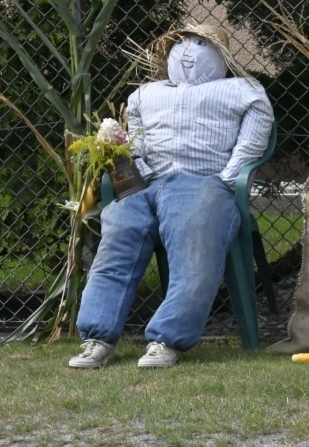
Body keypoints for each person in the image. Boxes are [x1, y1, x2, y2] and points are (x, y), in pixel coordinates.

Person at [69, 22, 274, 368]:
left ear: (220, 56)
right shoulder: (145, 95)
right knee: (116, 240)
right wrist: (138, 171)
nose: (188, 50)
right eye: (181, 43)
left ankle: (167, 340)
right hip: (146, 184)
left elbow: (253, 140)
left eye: (199, 43)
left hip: (203, 183)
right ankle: (97, 337)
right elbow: (138, 142)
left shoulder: (244, 90)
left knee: (195, 248)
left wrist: (224, 180)